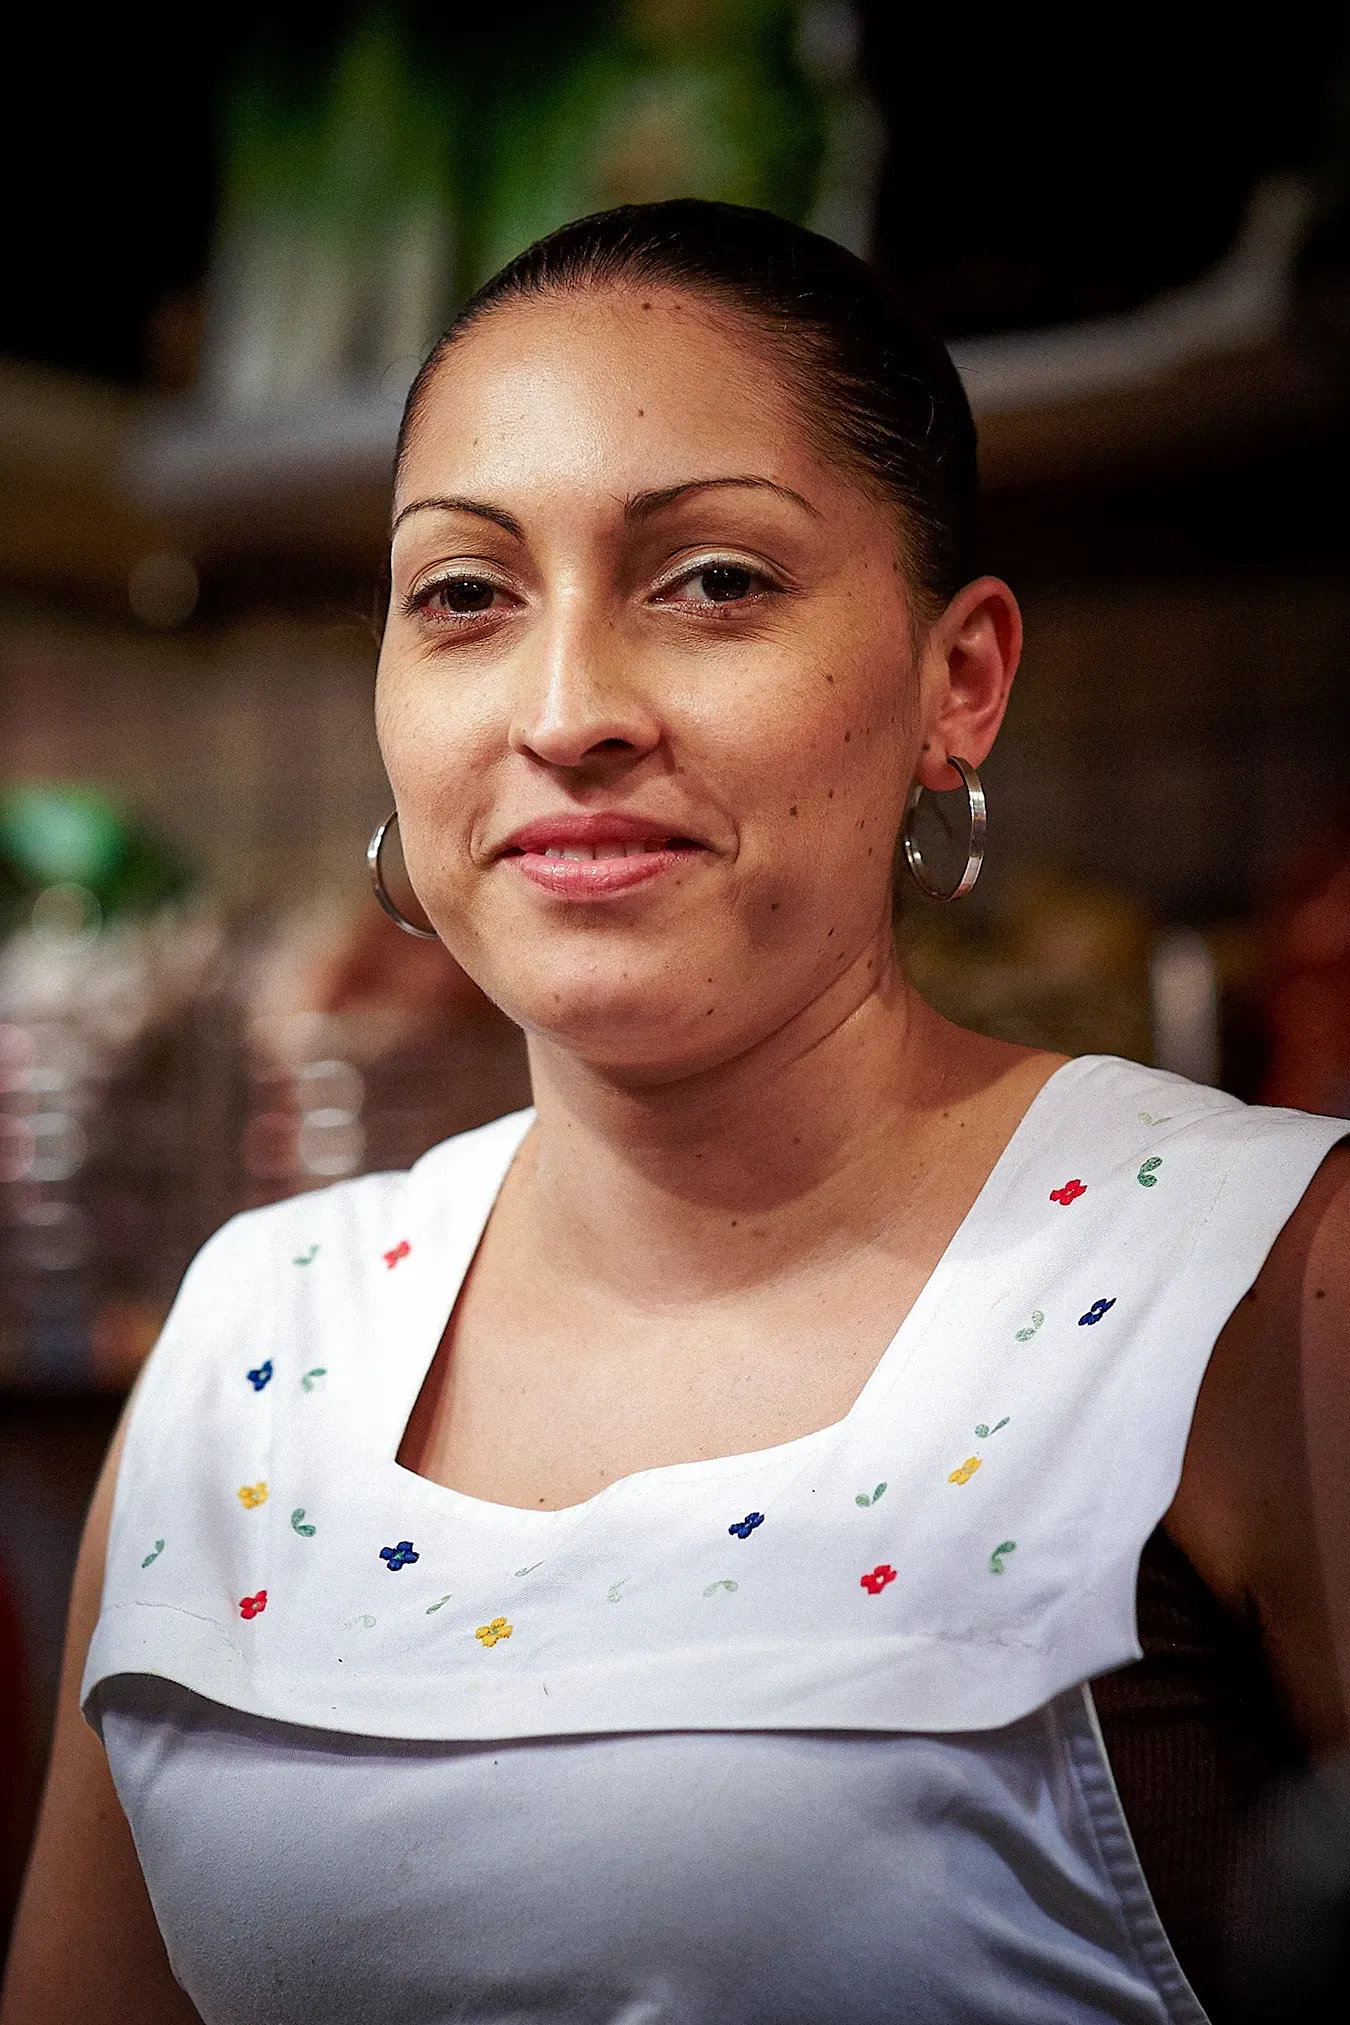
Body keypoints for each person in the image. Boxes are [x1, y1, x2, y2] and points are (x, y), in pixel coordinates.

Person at [4, 201, 1347, 2025]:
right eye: (464, 595)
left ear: (959, 683)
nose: (567, 712)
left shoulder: (1260, 1277)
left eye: (713, 579)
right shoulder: (251, 1334)